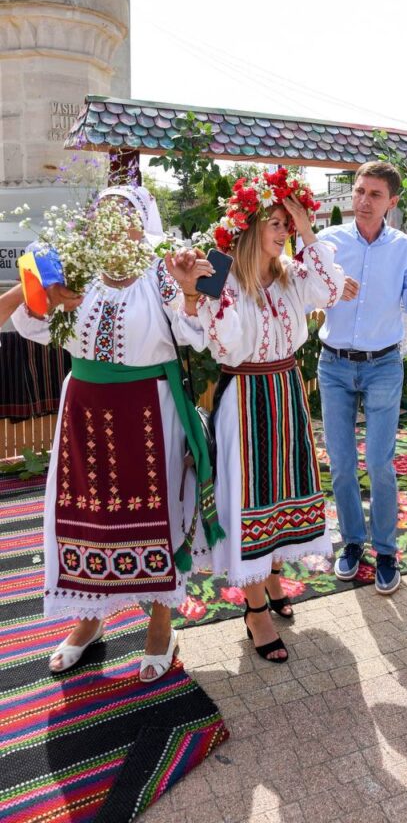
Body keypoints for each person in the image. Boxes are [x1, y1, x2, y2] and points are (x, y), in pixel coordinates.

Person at [11, 185, 217, 681]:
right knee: (88, 515)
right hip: (83, 413)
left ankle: (160, 626)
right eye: (101, 217)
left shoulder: (162, 274)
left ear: (141, 222)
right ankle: (88, 619)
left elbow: (197, 336)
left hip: (151, 412)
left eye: (121, 215)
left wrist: (190, 292)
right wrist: (42, 290)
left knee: (158, 512)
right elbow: (29, 325)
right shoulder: (79, 274)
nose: (110, 226)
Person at [173, 170, 345, 662]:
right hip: (245, 396)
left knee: (280, 492)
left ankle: (270, 579)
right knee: (247, 498)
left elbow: (331, 289)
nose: (284, 229)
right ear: (249, 229)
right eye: (274, 221)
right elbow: (223, 344)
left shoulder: (291, 276)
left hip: (285, 390)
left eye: (286, 221)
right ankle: (254, 610)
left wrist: (306, 225)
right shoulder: (224, 282)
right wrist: (209, 289)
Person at [316, 161, 407, 596]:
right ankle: (353, 543)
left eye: (374, 195)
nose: (363, 201)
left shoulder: (405, 249)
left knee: (379, 464)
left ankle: (386, 549)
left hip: (382, 366)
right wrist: (331, 288)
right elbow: (305, 293)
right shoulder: (328, 241)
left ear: (391, 203)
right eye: (359, 191)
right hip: (333, 364)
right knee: (340, 465)